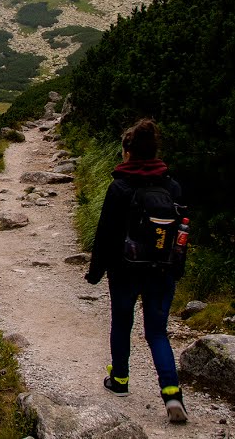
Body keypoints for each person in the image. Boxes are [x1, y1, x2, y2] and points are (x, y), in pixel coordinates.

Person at [84, 118, 188, 423]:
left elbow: (104, 234)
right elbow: (182, 231)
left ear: (128, 151)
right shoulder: (172, 186)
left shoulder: (120, 187)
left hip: (125, 269)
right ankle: (171, 394)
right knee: (157, 332)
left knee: (121, 323)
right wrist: (177, 267)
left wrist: (95, 271)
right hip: (163, 270)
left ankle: (119, 380)